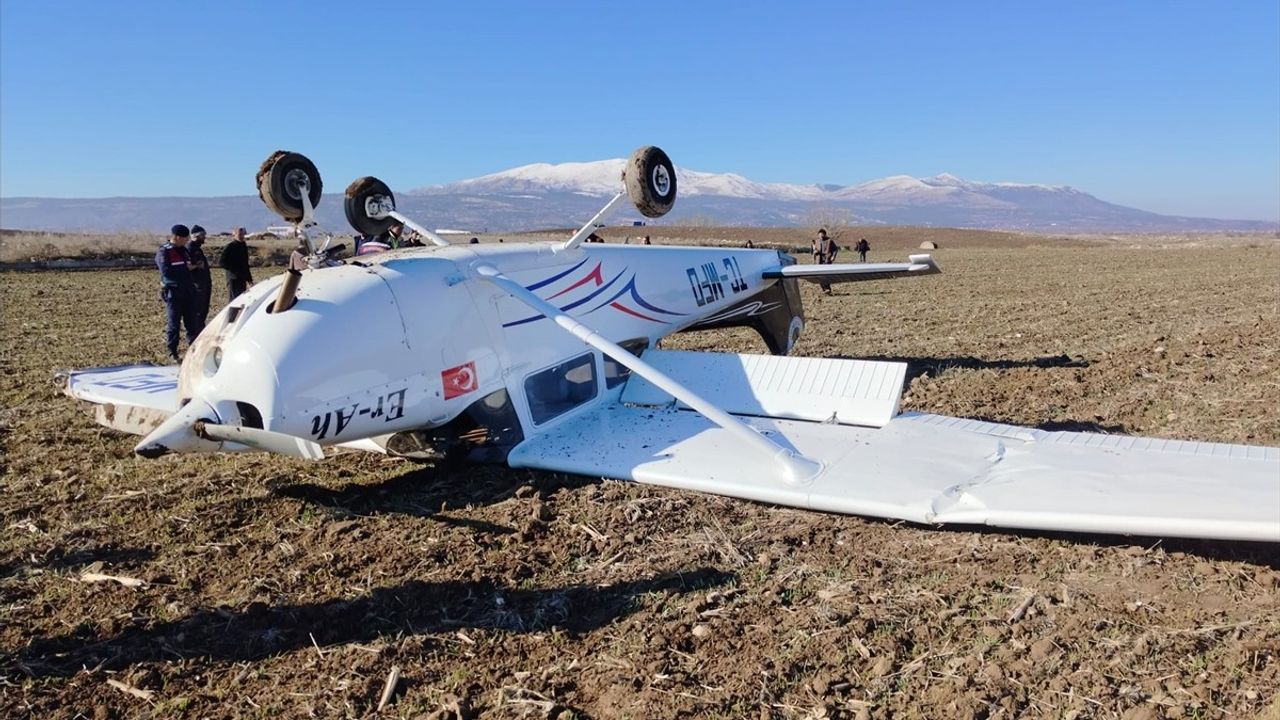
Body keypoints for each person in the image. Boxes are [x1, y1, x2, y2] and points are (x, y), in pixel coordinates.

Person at [155, 225, 203, 360]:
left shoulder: (184, 251)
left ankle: (193, 350)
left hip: (188, 291)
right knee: (174, 324)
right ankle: (172, 352)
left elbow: (188, 267)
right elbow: (166, 271)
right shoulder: (164, 251)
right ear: (177, 237)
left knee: (192, 323)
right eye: (185, 239)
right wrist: (184, 269)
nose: (186, 241)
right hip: (174, 292)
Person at [219, 226, 253, 301]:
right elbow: (222, 262)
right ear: (234, 235)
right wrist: (234, 270)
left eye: (242, 234)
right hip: (233, 278)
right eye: (239, 234)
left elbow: (245, 263)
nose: (241, 236)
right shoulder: (230, 246)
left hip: (242, 278)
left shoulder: (243, 245)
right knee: (234, 301)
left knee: (242, 299)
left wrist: (249, 279)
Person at [188, 225, 213, 325]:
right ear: (196, 236)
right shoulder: (190, 249)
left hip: (204, 283)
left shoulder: (198, 249)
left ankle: (200, 328)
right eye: (203, 235)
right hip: (198, 285)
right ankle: (196, 331)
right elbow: (188, 267)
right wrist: (196, 266)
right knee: (198, 310)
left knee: (204, 309)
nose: (204, 237)